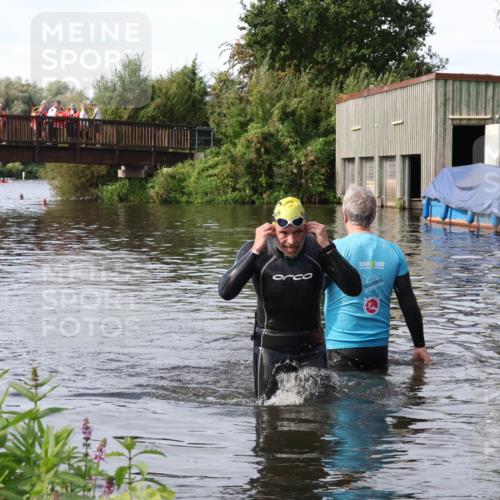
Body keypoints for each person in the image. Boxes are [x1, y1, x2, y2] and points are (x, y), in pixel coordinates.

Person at [219, 197, 362, 399]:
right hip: (270, 349)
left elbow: (354, 288)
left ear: (306, 228)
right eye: (283, 233)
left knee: (319, 416)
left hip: (312, 349)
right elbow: (226, 292)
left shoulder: (318, 250)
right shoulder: (257, 250)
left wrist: (328, 246)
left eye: (298, 232)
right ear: (272, 229)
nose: (292, 241)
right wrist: (254, 251)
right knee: (267, 416)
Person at [324, 185, 431, 371]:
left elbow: (311, 295)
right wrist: (419, 345)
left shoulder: (333, 250)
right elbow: (408, 301)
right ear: (373, 216)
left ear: (344, 215)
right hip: (378, 350)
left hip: (339, 348)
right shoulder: (394, 251)